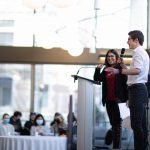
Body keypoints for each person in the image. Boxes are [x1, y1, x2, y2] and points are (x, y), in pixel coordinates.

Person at [107, 30, 149, 150]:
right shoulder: (139, 53)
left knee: (136, 124)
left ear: (136, 40)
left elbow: (137, 71)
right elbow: (132, 74)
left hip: (137, 90)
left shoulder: (139, 53)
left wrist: (118, 71)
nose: (127, 41)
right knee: (140, 124)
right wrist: (123, 66)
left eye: (129, 39)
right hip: (136, 90)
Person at [94, 49, 128, 150]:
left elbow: (125, 84)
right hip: (108, 100)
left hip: (119, 100)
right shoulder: (105, 69)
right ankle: (117, 147)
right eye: (108, 56)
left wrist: (127, 99)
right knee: (113, 124)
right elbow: (97, 79)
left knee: (117, 124)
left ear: (116, 58)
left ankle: (116, 147)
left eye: (112, 56)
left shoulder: (120, 69)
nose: (110, 58)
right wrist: (97, 69)